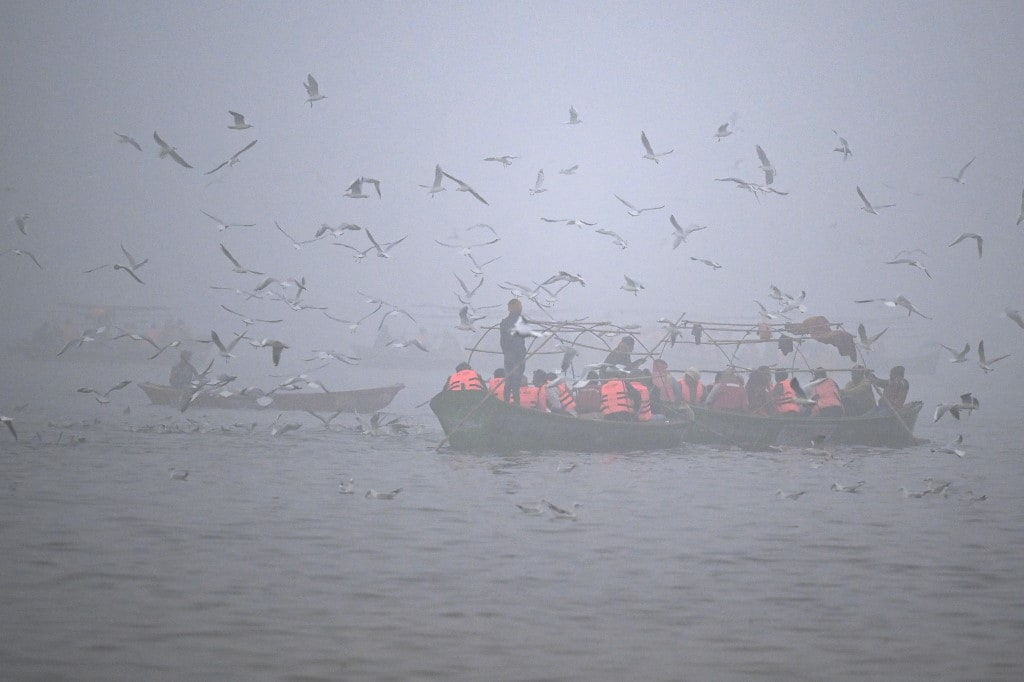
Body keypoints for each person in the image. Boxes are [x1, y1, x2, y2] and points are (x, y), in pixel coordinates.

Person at [499, 298, 527, 404]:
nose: (521, 308)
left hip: (509, 354)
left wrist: (506, 351)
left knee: (509, 380)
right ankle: (517, 403)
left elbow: (503, 341)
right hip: (516, 354)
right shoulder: (518, 321)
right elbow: (516, 340)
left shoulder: (504, 322)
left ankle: (507, 402)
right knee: (516, 380)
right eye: (519, 306)